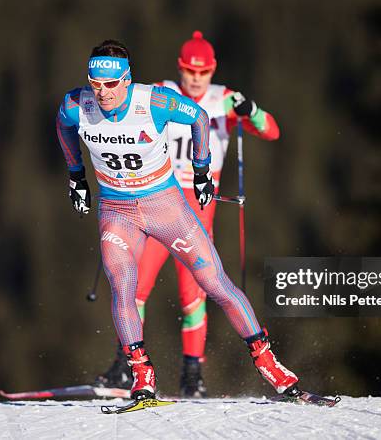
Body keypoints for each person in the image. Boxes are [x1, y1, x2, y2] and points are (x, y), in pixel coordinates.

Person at [56, 39, 300, 402]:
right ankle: (139, 374)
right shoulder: (77, 104)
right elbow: (62, 125)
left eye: (111, 84)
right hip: (117, 211)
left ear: (126, 80)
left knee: (210, 284)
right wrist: (76, 175)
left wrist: (204, 168)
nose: (103, 93)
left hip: (167, 206)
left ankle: (266, 364)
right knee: (124, 284)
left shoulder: (157, 100)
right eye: (95, 83)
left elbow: (204, 119)